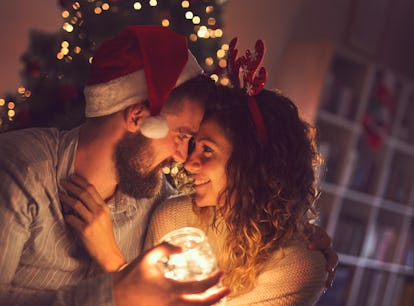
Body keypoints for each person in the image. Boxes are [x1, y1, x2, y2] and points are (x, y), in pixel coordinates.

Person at [60, 39, 335, 305]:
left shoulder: (299, 265)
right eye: (192, 145)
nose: (188, 163)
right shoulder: (174, 219)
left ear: (252, 164)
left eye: (207, 150)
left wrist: (112, 261)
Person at [0, 25, 229, 306]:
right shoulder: (18, 169)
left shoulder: (159, 205)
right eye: (181, 135)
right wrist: (117, 293)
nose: (183, 156)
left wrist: (117, 267)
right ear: (137, 117)